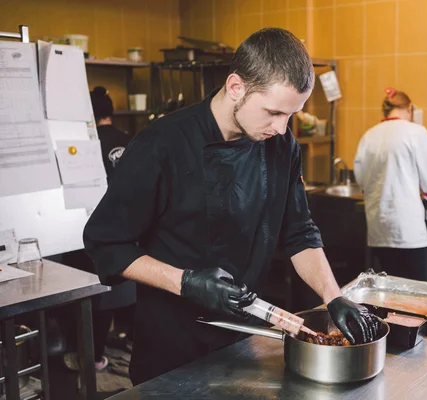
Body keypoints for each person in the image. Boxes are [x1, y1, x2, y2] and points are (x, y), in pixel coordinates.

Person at [83, 28, 380, 385]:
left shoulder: (282, 146)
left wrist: (334, 296)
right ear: (236, 87)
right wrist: (188, 282)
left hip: (242, 343)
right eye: (272, 112)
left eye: (291, 115)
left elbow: (299, 233)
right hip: (171, 348)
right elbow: (106, 243)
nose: (282, 127)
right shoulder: (162, 144)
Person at [63, 87, 137, 372]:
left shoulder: (83, 144)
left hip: (90, 228)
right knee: (128, 289)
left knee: (95, 294)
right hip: (132, 230)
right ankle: (131, 341)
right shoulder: (131, 141)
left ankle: (91, 357)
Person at [354, 88, 427, 281]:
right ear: (409, 108)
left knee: (386, 295)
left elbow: (361, 180)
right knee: (414, 295)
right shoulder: (416, 132)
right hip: (408, 232)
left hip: (378, 229)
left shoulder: (369, 136)